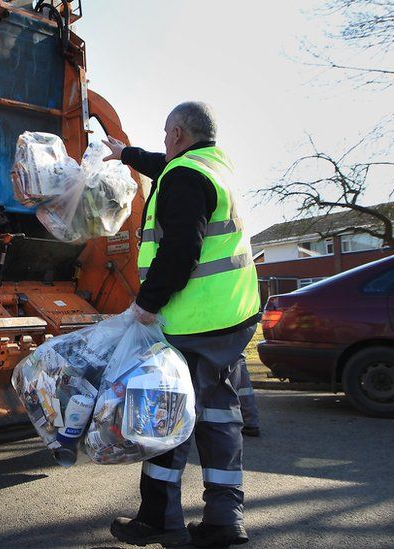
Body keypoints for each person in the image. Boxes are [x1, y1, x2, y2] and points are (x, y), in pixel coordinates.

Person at [102, 101, 261, 547]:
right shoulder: (213, 166)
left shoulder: (184, 176)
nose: (163, 142)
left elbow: (180, 251)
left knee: (168, 414)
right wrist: (127, 153)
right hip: (233, 315)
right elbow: (166, 168)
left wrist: (146, 305)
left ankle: (157, 517)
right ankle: (225, 518)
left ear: (175, 133)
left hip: (193, 319)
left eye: (164, 134)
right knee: (218, 414)